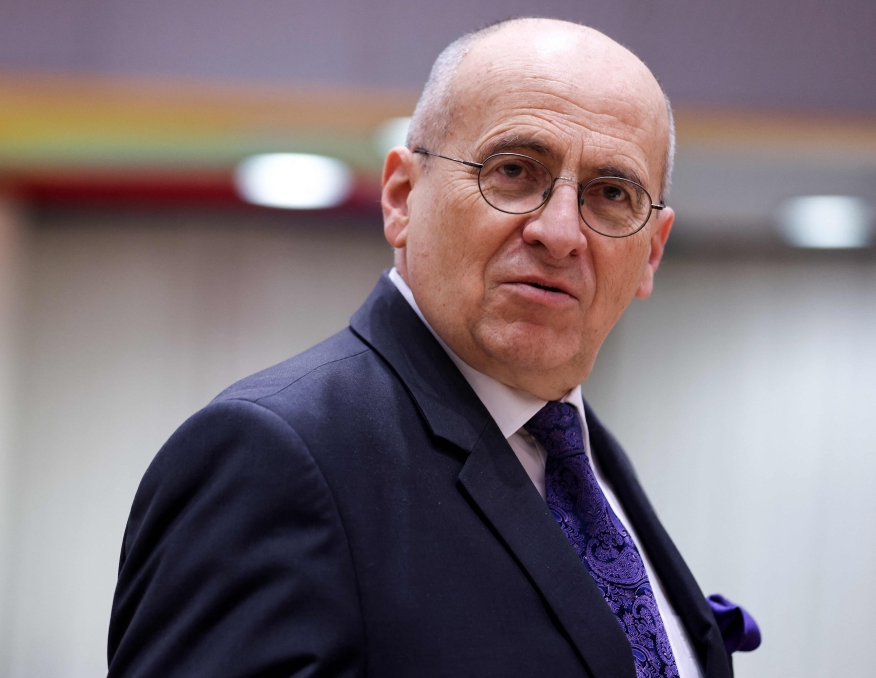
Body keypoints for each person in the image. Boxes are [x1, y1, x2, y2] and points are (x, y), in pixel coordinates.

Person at [107, 17, 758, 678]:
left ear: (651, 252)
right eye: (514, 170)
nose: (560, 232)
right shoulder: (273, 457)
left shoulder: (587, 466)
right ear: (401, 198)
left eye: (613, 194)